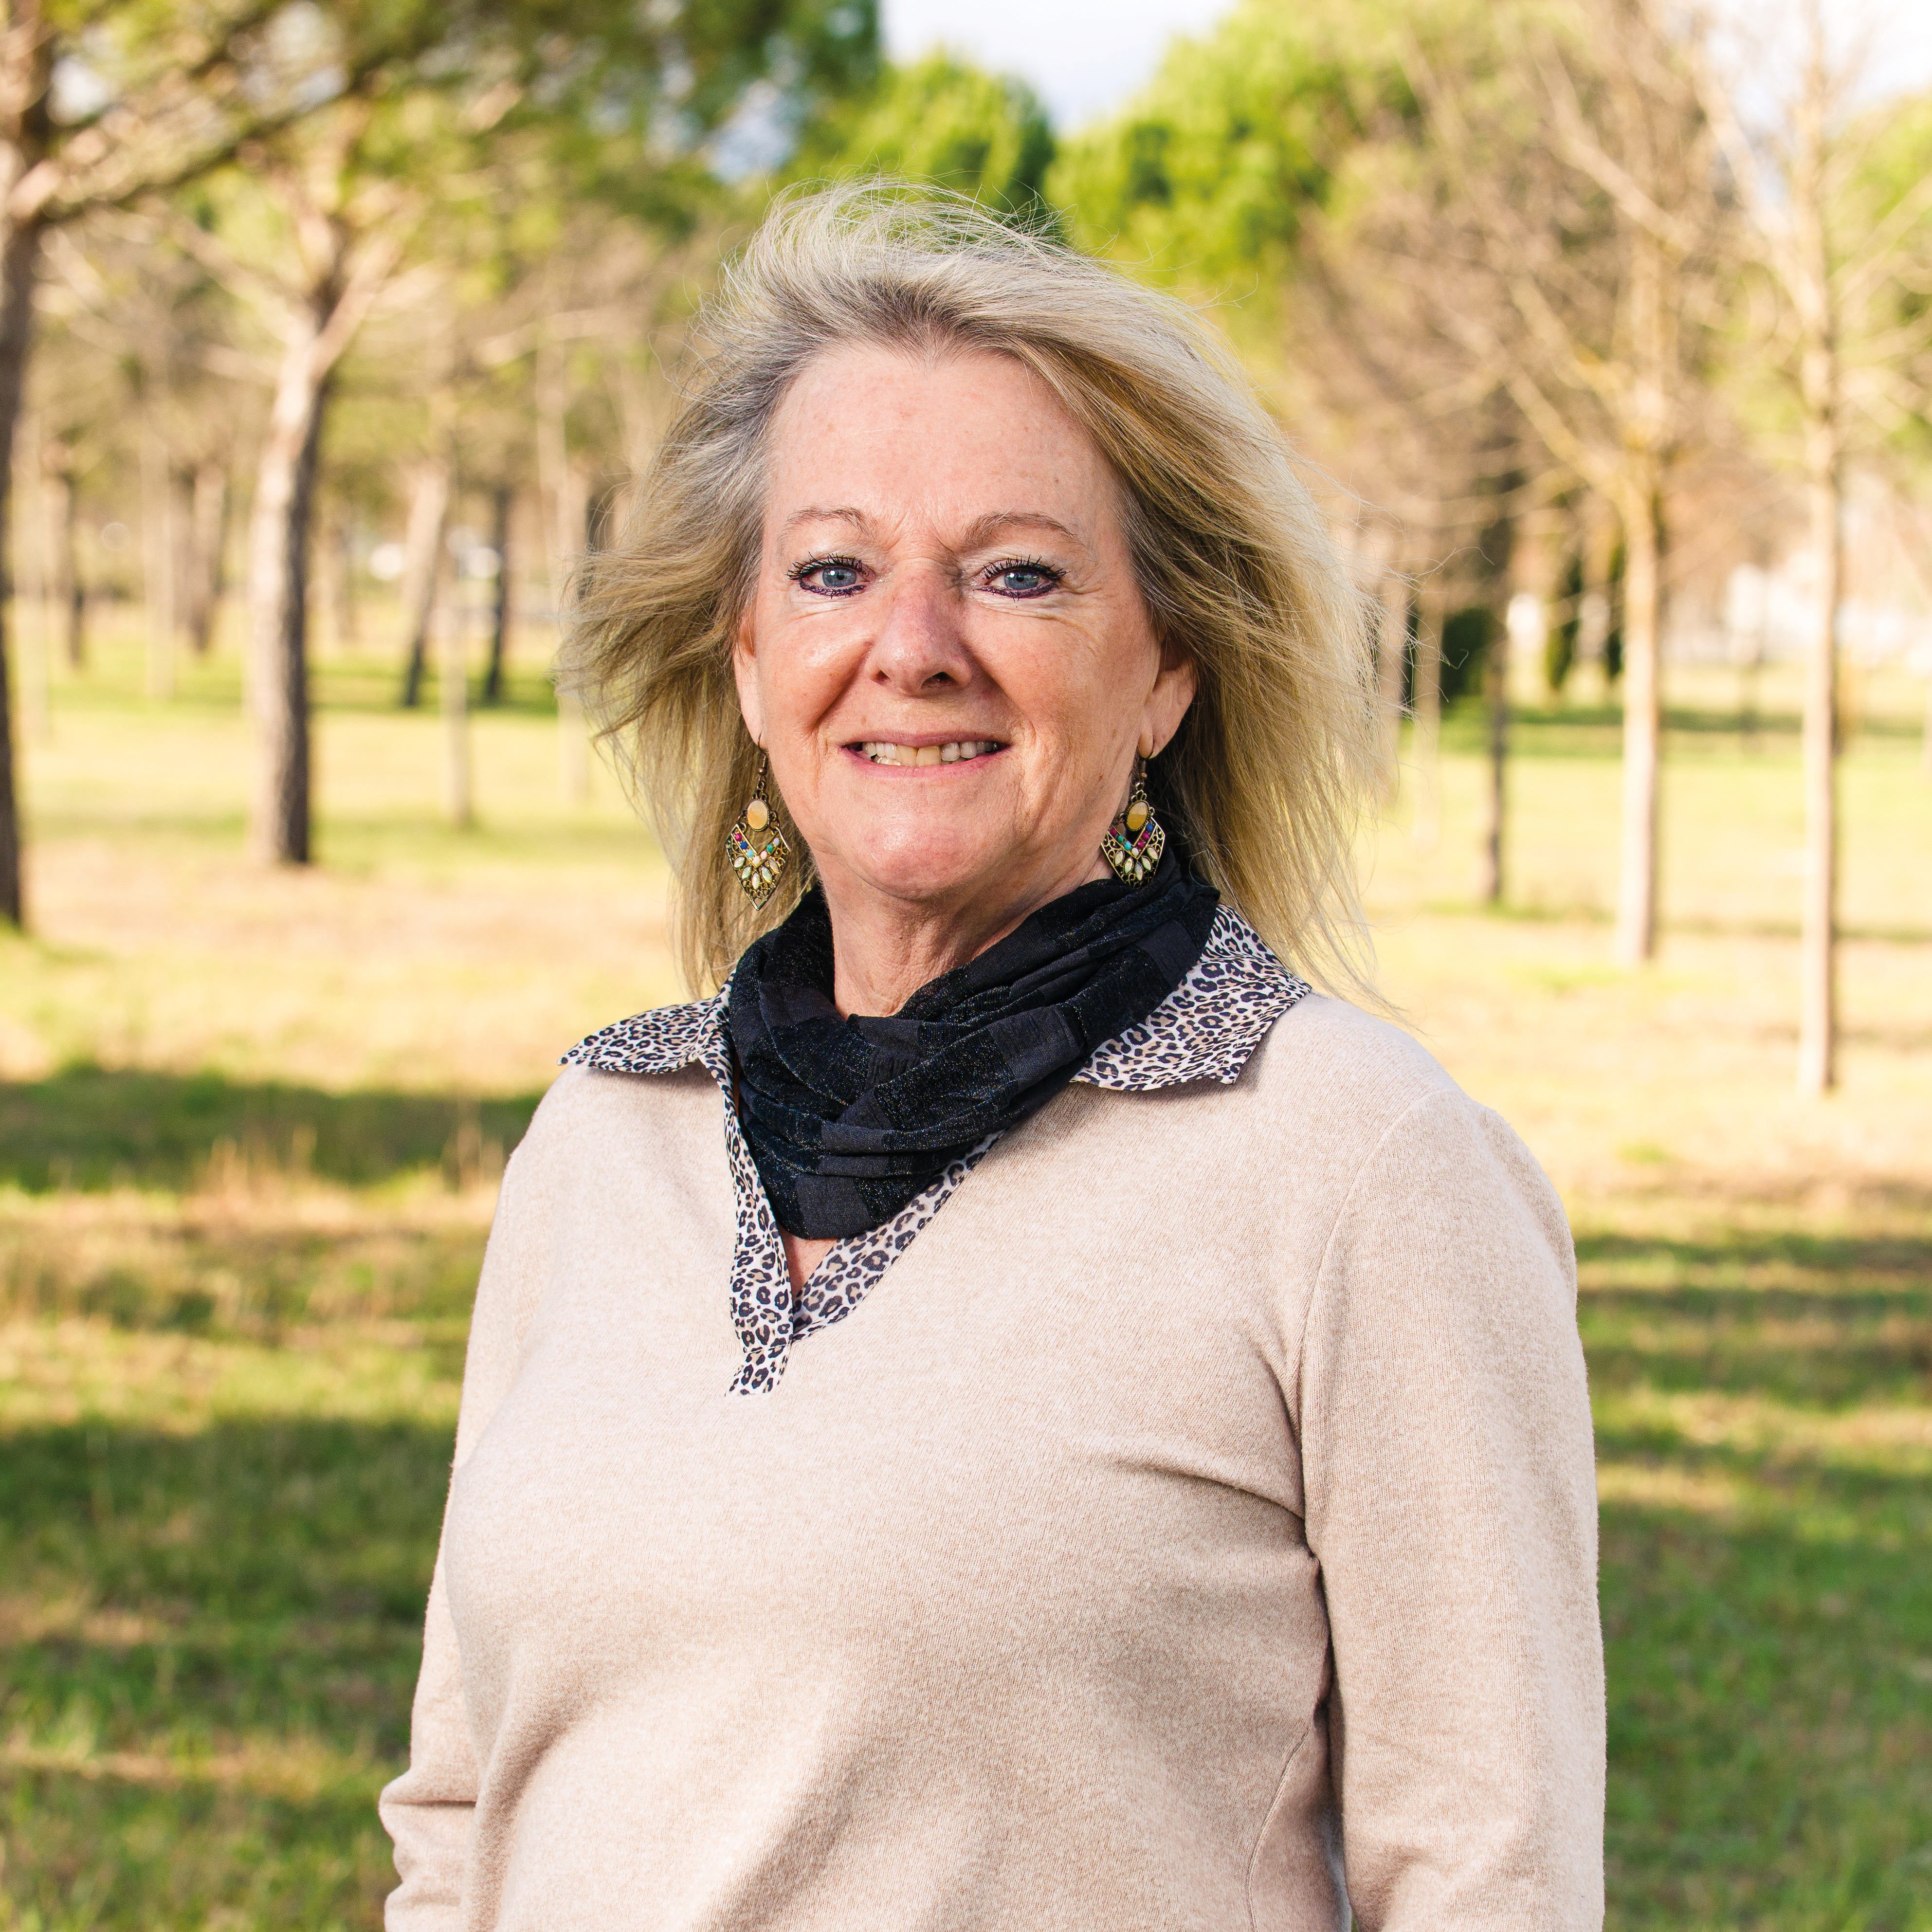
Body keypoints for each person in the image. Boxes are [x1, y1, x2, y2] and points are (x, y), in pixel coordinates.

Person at [380, 184, 1604, 1932]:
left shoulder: (1354, 1163)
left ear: (1167, 668)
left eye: (1017, 574)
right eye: (832, 571)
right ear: (748, 657)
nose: (912, 646)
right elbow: (458, 1811)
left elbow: (1490, 1881)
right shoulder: (603, 1130)